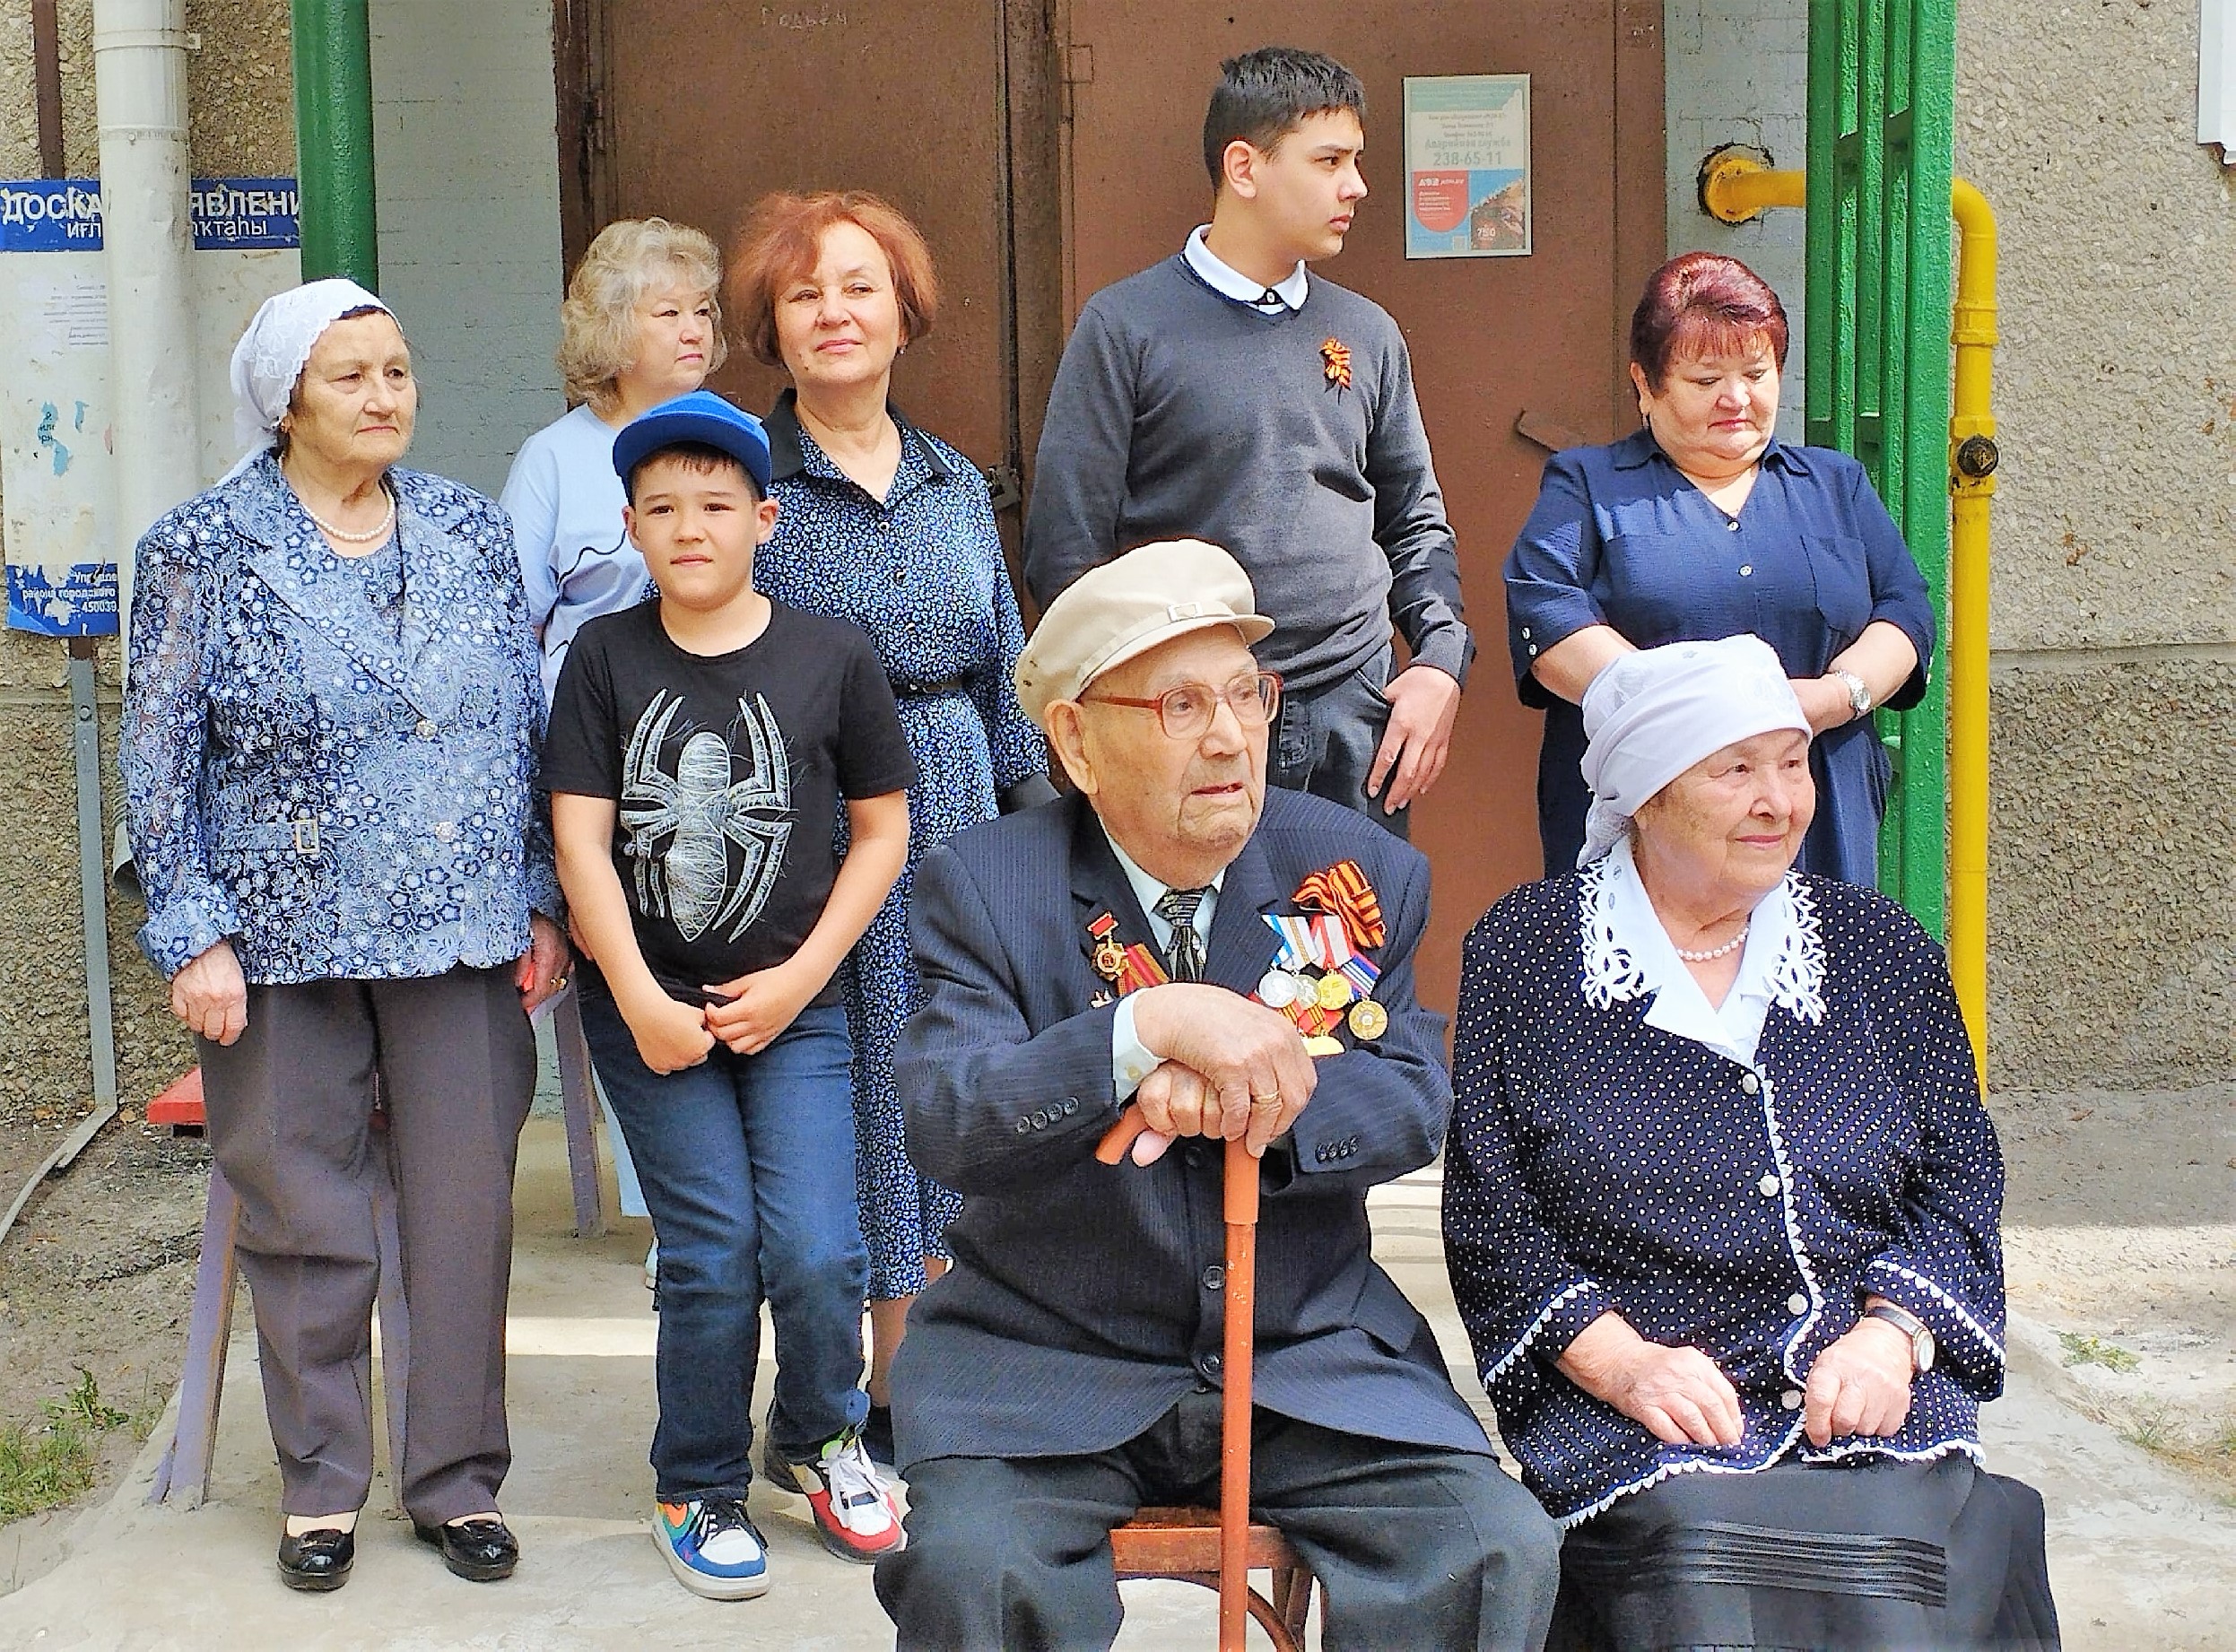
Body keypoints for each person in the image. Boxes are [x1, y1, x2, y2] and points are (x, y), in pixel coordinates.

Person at [874, 539, 1561, 1651]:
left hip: (1307, 1355)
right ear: (1078, 743)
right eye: (1180, 704)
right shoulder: (985, 884)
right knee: (975, 1573)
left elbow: (1412, 1087)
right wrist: (1140, 1034)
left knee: (1493, 1553)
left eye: (1247, 693)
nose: (1232, 737)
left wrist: (1262, 1098)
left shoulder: (1353, 873)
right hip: (1047, 1359)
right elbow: (951, 1111)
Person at [1440, 636, 2060, 1649]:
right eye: (1736, 770)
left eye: (1792, 762)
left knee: (1912, 1546)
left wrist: (1890, 1334)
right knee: (1695, 1550)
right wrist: (1625, 1366)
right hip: (1646, 1415)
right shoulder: (1530, 952)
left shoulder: (1879, 946)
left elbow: (1961, 1174)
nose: (1781, 800)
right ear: (1645, 794)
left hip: (1861, 1398)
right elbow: (1490, 1216)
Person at [121, 279, 568, 1592]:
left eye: (397, 371)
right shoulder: (203, 544)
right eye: (351, 377)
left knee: (463, 1209)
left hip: (460, 926)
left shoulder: (470, 529)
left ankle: (455, 1478)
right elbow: (159, 758)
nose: (384, 397)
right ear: (286, 401)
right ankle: (319, 1482)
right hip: (281, 931)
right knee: (302, 1208)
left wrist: (537, 891)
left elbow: (522, 729)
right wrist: (192, 931)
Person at [543, 390, 917, 1599]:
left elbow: (881, 830)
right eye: (661, 508)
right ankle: (696, 1478)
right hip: (649, 1009)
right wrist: (641, 995)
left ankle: (816, 1434)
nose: (688, 527)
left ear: (765, 515)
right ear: (630, 527)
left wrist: (806, 973)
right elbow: (582, 842)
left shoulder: (831, 655)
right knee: (711, 1248)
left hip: (796, 1003)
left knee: (817, 1246)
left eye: (714, 504)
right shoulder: (603, 658)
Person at [727, 188, 1054, 1459]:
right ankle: (861, 1392)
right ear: (774, 325)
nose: (834, 314)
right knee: (862, 1094)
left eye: (858, 286)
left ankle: (941, 1374)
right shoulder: (752, 489)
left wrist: (1039, 849)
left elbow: (1006, 669)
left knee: (959, 1078)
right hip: (816, 827)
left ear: (903, 309)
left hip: (960, 801)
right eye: (805, 294)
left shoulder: (953, 481)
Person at [1023, 47, 1472, 835]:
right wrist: (1141, 704)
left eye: (1355, 161)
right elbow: (1066, 549)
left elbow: (1415, 522)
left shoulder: (1365, 332)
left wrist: (1439, 663)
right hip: (1186, 719)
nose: (1356, 186)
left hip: (1353, 713)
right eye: (1328, 160)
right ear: (1244, 166)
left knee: (1354, 945)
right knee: (1194, 954)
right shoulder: (1124, 327)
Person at [1503, 251, 1936, 882]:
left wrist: (1833, 698)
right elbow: (1546, 610)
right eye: (1705, 381)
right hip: (1653, 803)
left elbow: (1904, 608)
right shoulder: (1589, 484)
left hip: (1815, 792)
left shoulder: (1833, 484)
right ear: (1646, 387)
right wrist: (1696, 712)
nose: (1736, 399)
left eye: (1756, 373)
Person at [500, 217, 727, 1273]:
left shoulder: (727, 434)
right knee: (617, 950)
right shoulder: (554, 459)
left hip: (708, 752)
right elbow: (512, 627)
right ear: (608, 326)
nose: (692, 329)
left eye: (702, 310)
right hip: (590, 759)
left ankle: (705, 1201)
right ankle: (665, 1211)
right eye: (665, 310)